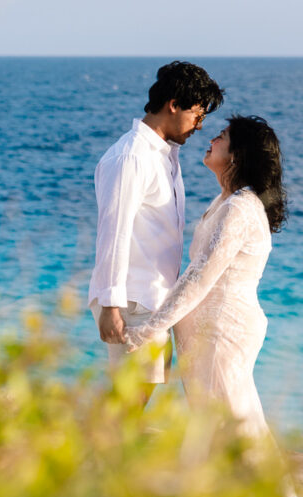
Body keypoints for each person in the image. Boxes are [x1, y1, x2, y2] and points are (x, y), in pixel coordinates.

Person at [116, 115, 303, 497]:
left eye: (221, 137)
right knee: (218, 424)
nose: (211, 139)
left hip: (221, 332)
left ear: (237, 155)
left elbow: (202, 274)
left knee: (234, 424)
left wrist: (152, 326)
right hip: (206, 333)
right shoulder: (225, 201)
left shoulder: (240, 208)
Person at [89, 61, 224, 403]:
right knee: (128, 402)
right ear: (173, 105)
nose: (200, 124)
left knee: (134, 399)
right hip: (133, 300)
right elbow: (114, 231)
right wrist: (111, 304)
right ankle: (93, 455)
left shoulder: (165, 154)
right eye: (198, 113)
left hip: (153, 297)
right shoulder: (131, 157)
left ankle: (99, 454)